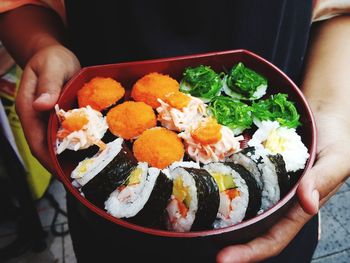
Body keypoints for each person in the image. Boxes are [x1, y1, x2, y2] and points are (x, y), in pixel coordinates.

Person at [1, 1, 350, 262]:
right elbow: (20, 5)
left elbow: (338, 12)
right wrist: (42, 46)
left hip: (275, 201)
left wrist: (333, 115)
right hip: (108, 213)